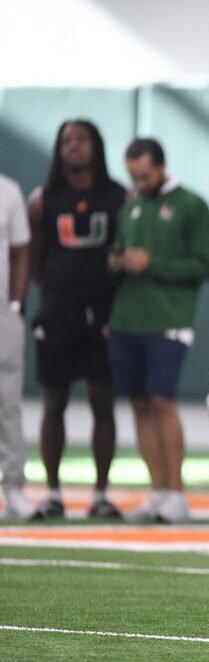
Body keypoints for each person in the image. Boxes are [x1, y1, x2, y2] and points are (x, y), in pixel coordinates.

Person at [108, 138, 209, 523]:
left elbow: (204, 265)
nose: (139, 182)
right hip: (126, 321)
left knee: (161, 402)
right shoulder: (130, 207)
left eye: (145, 175)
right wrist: (118, 263)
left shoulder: (192, 205)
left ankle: (175, 494)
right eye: (133, 176)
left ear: (161, 167)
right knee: (139, 404)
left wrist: (152, 263)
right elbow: (121, 254)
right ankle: (157, 492)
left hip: (169, 321)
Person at [27, 120, 127, 520]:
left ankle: (100, 494)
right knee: (54, 403)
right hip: (59, 310)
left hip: (103, 313)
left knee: (103, 403)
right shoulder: (43, 199)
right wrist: (59, 290)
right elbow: (35, 260)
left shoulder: (118, 196)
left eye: (81, 139)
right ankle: (52, 492)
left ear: (95, 146)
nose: (73, 146)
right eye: (66, 140)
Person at [0, 172, 34, 520]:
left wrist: (15, 304)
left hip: (1, 312)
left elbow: (21, 250)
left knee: (7, 403)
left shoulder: (7, 190)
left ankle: (13, 488)